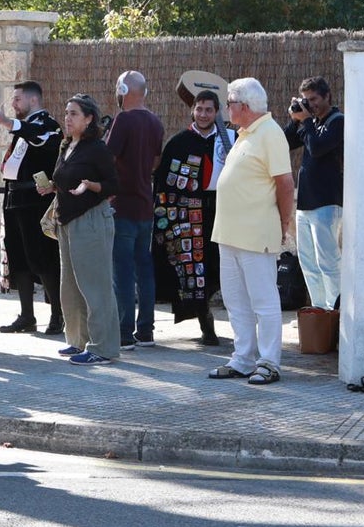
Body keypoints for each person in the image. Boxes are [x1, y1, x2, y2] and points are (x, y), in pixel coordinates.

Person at [209, 78, 294, 385]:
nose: (226, 108)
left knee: (263, 301)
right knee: (236, 301)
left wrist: (284, 223)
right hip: (229, 234)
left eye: (229, 103)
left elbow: (285, 183)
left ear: (243, 106)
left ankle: (269, 362)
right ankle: (243, 358)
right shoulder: (245, 133)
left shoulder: (270, 133)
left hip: (256, 233)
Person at [42, 94, 120, 365]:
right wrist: (51, 187)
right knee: (71, 286)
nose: (67, 118)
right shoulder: (66, 145)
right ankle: (78, 341)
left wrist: (91, 185)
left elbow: (113, 185)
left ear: (89, 119)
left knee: (96, 286)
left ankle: (103, 348)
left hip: (91, 220)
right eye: (66, 113)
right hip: (67, 220)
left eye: (74, 113)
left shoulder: (97, 149)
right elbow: (65, 180)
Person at [152, 90, 234, 346]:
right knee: (194, 268)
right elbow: (164, 184)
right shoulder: (179, 143)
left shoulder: (230, 139)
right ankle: (205, 320)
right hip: (189, 216)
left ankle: (221, 315)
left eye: (209, 110)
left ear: (217, 112)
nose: (203, 114)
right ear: (192, 110)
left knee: (221, 266)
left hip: (223, 210)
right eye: (199, 109)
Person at [0, 80, 63, 335]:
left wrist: (8, 123)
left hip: (35, 200)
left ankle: (57, 314)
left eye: (17, 99)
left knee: (43, 257)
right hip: (14, 198)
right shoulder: (24, 129)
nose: (13, 104)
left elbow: (40, 138)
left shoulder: (48, 126)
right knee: (18, 258)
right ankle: (27, 315)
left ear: (33, 100)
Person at [106, 70, 164, 350]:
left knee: (123, 272)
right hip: (145, 206)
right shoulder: (155, 122)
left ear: (122, 90)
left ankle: (124, 332)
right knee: (144, 269)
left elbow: (107, 158)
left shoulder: (123, 119)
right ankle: (146, 331)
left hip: (123, 205)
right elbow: (155, 161)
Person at [283, 76, 344, 311]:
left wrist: (307, 120)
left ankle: (335, 312)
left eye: (314, 99)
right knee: (308, 263)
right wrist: (294, 120)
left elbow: (317, 149)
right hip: (305, 204)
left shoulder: (337, 121)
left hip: (327, 201)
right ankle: (319, 312)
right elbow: (285, 143)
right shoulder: (313, 124)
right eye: (306, 100)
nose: (311, 104)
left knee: (328, 261)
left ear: (327, 96)